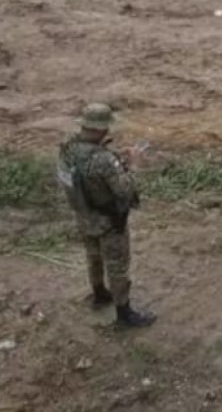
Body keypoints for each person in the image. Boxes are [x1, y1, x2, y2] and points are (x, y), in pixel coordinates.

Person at [56, 103, 156, 328]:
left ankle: (100, 293)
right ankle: (124, 314)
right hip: (109, 222)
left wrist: (116, 158)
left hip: (84, 215)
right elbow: (125, 190)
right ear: (102, 128)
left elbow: (84, 173)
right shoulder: (102, 160)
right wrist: (133, 165)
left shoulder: (68, 148)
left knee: (93, 256)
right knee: (117, 265)